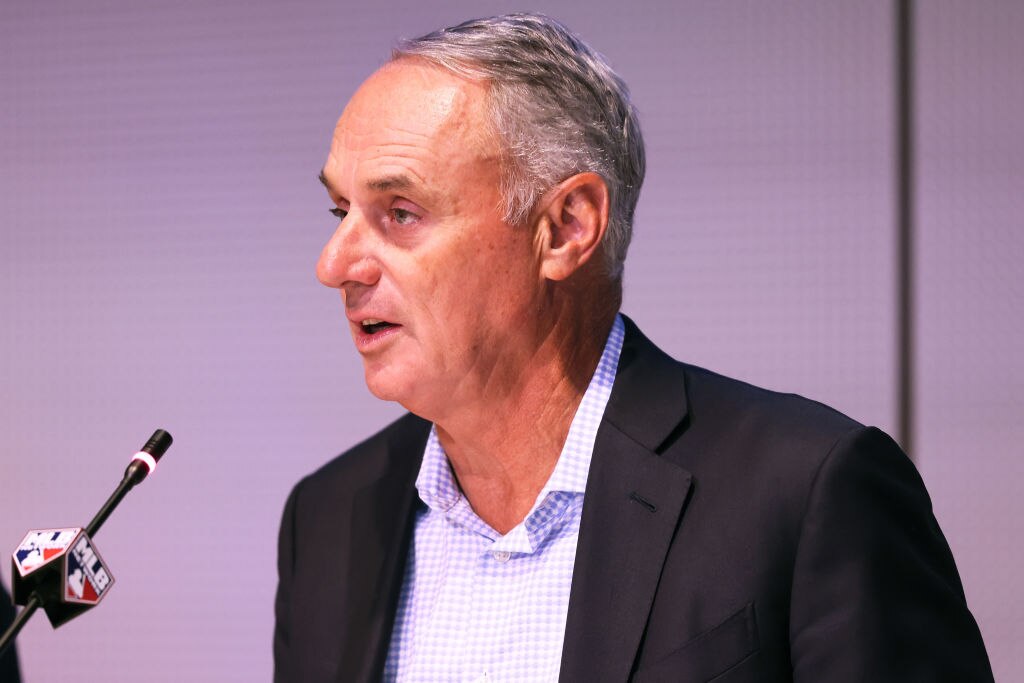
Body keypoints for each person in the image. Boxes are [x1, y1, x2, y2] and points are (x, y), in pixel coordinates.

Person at [274, 13, 992, 682]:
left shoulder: (805, 492)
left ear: (566, 227)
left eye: (400, 213)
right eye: (340, 211)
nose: (334, 265)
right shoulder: (328, 518)